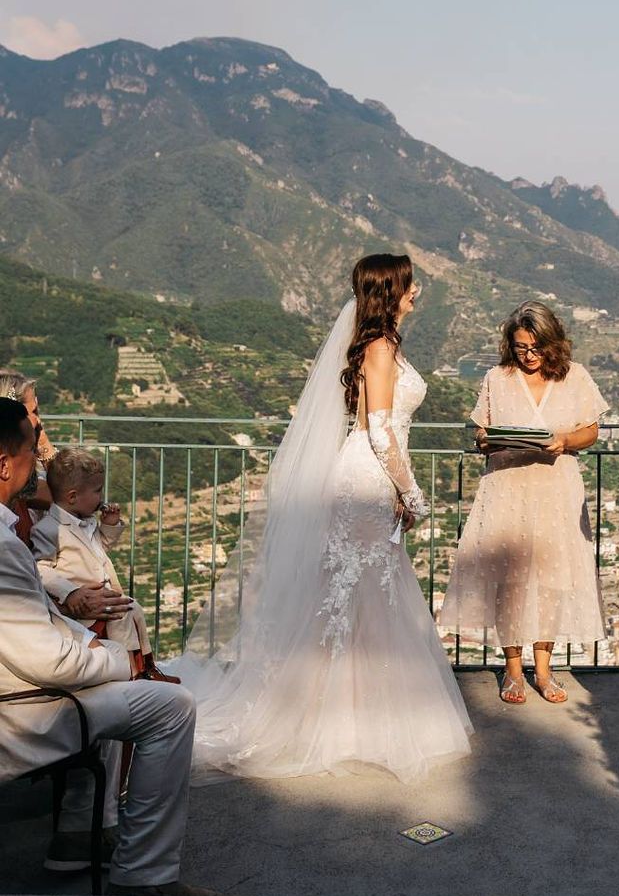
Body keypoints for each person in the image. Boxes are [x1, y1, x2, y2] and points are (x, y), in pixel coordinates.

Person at [173, 252, 473, 782]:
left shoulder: (383, 345)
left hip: (373, 479)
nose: (418, 290)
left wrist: (400, 490)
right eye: (410, 283)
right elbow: (380, 431)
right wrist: (416, 495)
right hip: (366, 481)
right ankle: (326, 718)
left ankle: (353, 716)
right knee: (354, 594)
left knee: (362, 596)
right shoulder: (379, 348)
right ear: (392, 290)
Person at [0, 398, 210, 896]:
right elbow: (46, 660)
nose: (40, 463)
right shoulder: (4, 545)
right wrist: (122, 660)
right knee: (170, 707)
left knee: (118, 688)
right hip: (18, 711)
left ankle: (78, 835)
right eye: (33, 450)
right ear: (5, 463)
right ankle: (144, 878)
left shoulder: (12, 533)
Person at [439, 302, 607, 704]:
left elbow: (592, 430)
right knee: (509, 581)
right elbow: (481, 433)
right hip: (507, 486)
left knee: (551, 579)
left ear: (552, 343)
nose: (529, 356)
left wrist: (565, 440)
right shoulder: (497, 378)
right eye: (520, 348)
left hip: (556, 489)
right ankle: (513, 671)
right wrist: (488, 439)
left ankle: (544, 670)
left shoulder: (575, 377)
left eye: (535, 347)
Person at [31, 446, 180, 682]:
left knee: (134, 610)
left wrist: (109, 526)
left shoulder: (87, 521)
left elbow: (99, 549)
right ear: (72, 497)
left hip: (103, 595)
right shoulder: (48, 529)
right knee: (122, 615)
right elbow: (41, 569)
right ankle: (132, 674)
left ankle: (147, 665)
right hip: (83, 606)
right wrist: (70, 592)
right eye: (97, 491)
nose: (101, 497)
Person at [0, 371, 55, 541]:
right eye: (33, 411)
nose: (39, 420)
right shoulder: (17, 466)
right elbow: (65, 493)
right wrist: (42, 443)